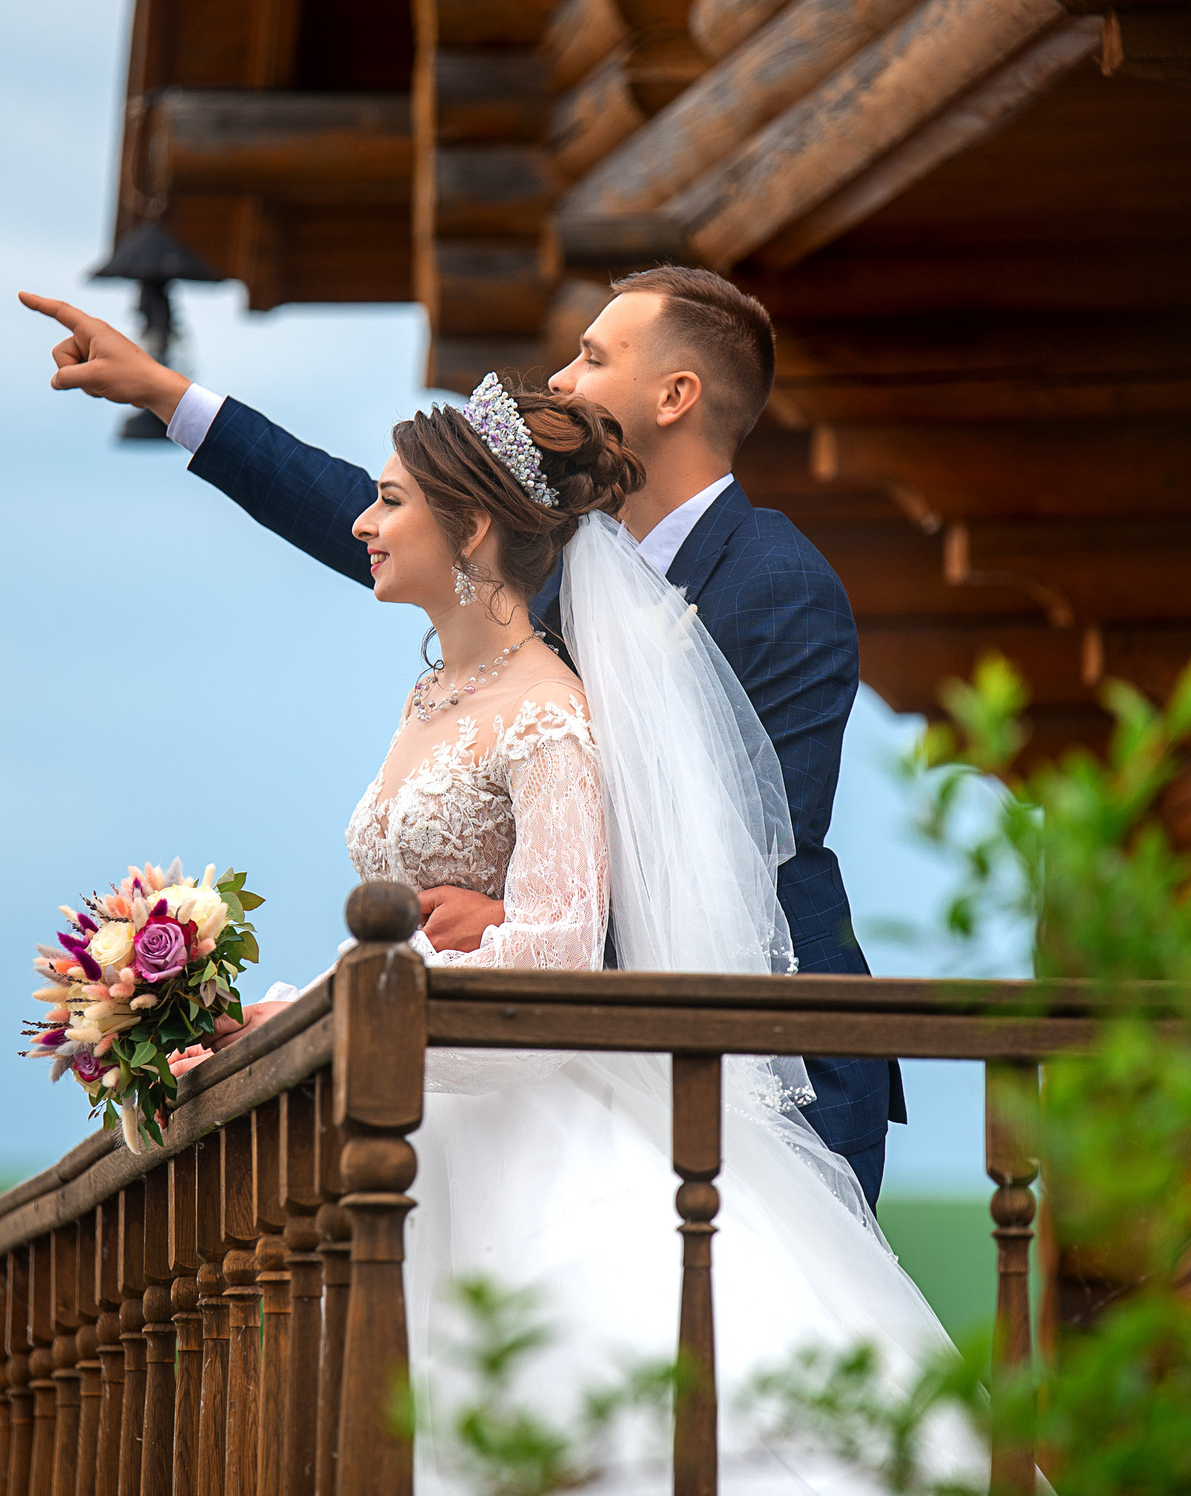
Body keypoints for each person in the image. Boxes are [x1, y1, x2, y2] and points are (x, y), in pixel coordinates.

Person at [150, 375, 968, 1490]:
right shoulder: (431, 696)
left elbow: (557, 947)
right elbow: (407, 933)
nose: (364, 524)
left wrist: (359, 996)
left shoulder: (549, 709)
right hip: (430, 1100)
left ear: (474, 527)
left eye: (390, 502)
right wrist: (283, 1009)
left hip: (524, 1113)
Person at [18, 267, 906, 1202]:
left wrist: (529, 929)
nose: (560, 377)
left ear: (676, 395)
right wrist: (170, 395)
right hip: (587, 1064)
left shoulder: (780, 582)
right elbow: (380, 517)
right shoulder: (563, 563)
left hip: (780, 1055)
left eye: (593, 355)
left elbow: (740, 847)